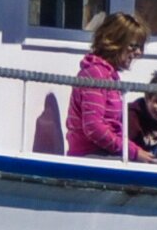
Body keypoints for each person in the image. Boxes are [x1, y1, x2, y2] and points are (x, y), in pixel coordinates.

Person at [63, 10, 149, 158]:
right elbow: (93, 127)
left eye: (140, 47)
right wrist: (134, 153)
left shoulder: (109, 75)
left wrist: (137, 151)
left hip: (105, 153)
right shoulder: (95, 74)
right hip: (91, 155)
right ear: (114, 43)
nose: (139, 53)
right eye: (133, 46)